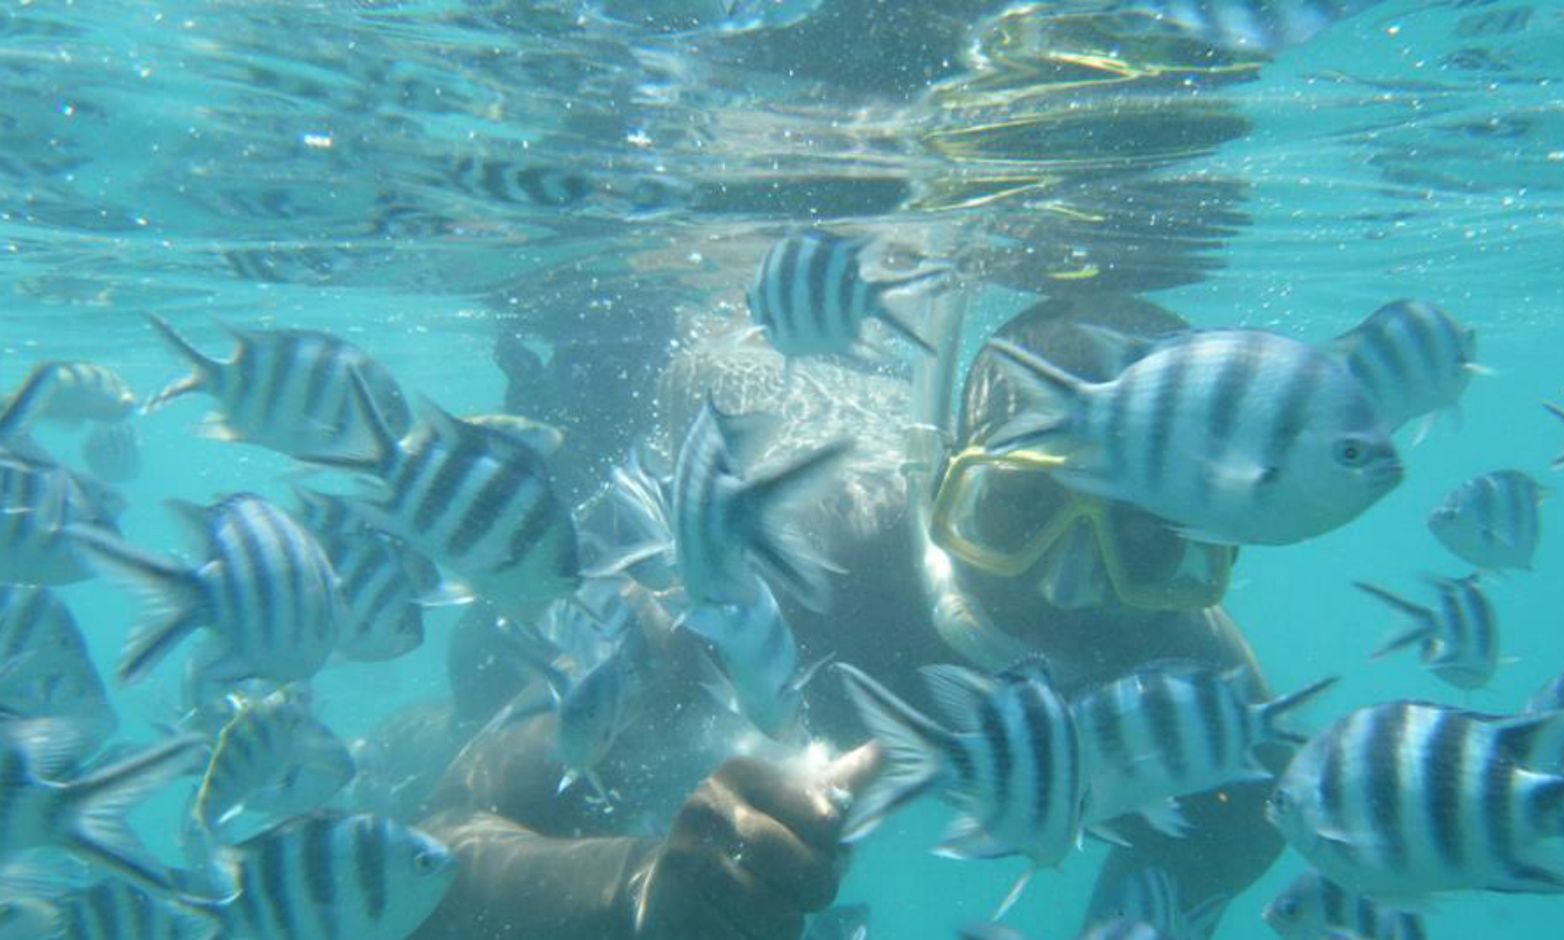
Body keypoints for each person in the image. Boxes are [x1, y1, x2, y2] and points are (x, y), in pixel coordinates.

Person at [401, 284, 1290, 939]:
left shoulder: (1200, 680)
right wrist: (634, 889)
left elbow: (1232, 842)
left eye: (1143, 545)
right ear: (940, 482)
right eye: (1017, 512)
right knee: (486, 667)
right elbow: (436, 847)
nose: (1069, 586)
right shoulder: (804, 570)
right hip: (680, 416)